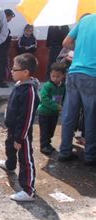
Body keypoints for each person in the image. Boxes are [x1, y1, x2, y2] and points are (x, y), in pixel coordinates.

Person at [0, 53, 40, 202]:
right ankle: (10, 165)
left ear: (25, 72)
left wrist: (20, 138)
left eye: (14, 69)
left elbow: (26, 118)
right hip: (13, 129)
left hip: (22, 133)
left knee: (25, 159)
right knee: (10, 148)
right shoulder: (19, 85)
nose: (11, 72)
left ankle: (28, 190)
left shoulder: (29, 91)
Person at [58, 14, 96, 166]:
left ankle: (64, 151)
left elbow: (66, 42)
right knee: (90, 117)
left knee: (69, 115)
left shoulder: (85, 20)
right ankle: (90, 155)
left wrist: (80, 48)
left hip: (74, 73)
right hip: (92, 76)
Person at [38, 62, 66, 155]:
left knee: (51, 130)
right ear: (50, 74)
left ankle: (48, 144)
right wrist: (56, 106)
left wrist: (63, 106)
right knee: (45, 131)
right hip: (44, 113)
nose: (55, 78)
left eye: (58, 76)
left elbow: (65, 97)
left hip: (54, 113)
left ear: (63, 76)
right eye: (53, 76)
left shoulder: (63, 87)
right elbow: (44, 98)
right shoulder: (47, 86)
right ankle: (43, 146)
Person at [0, 9, 15, 88]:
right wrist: (9, 38)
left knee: (0, 64)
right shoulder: (1, 24)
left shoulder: (0, 23)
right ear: (6, 16)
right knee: (0, 65)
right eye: (10, 17)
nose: (11, 19)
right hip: (1, 49)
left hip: (0, 48)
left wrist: (10, 37)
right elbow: (2, 37)